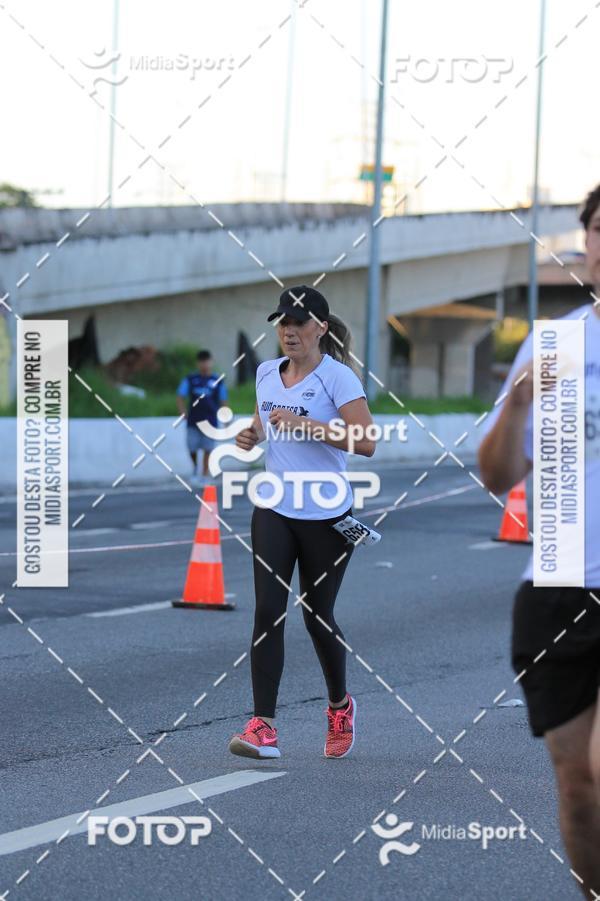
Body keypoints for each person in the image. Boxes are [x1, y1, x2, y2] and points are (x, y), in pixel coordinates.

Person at [478, 184, 600, 896]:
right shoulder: (555, 343)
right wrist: (519, 404)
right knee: (578, 787)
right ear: (586, 240)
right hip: (558, 584)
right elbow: (498, 475)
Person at [228, 285, 376, 760]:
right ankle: (263, 726)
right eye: (283, 323)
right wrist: (252, 434)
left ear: (321, 328)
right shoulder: (266, 373)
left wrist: (309, 426)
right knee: (267, 613)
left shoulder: (338, 378)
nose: (289, 331)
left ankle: (339, 706)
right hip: (274, 508)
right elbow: (264, 423)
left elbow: (367, 442)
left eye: (299, 322)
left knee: (317, 616)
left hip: (327, 514)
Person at [176, 350, 227, 485]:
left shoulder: (217, 380)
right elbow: (180, 396)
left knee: (208, 448)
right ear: (198, 363)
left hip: (210, 421)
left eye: (207, 361)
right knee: (191, 447)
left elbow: (223, 400)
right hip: (193, 420)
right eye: (202, 361)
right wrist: (182, 411)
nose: (204, 364)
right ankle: (195, 468)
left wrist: (225, 416)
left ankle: (204, 473)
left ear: (211, 362)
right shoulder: (191, 379)